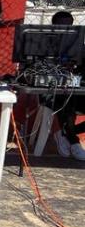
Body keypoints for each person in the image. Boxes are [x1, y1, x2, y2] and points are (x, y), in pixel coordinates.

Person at [47, 11, 85, 160]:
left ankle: (68, 132)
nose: (66, 29)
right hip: (52, 90)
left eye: (69, 26)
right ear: (54, 26)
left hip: (77, 88)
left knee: (72, 98)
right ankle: (74, 141)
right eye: (62, 25)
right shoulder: (44, 43)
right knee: (66, 103)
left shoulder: (78, 45)